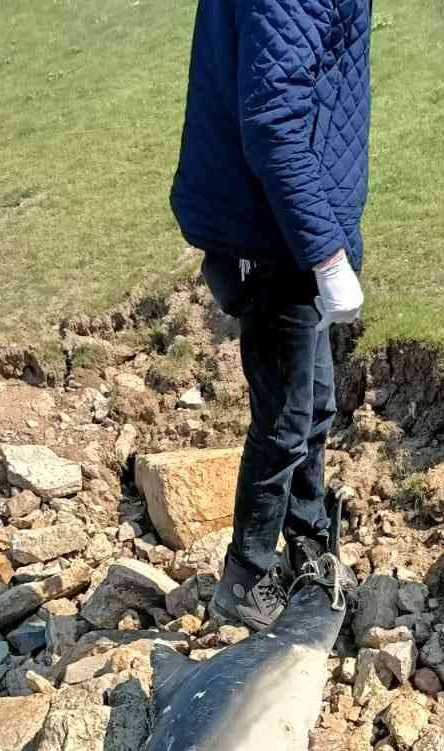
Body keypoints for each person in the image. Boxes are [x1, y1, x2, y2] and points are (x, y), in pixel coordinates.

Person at [170, 0, 372, 630]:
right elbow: (274, 121)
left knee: (313, 404)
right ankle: (247, 577)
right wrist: (326, 254)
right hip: (274, 231)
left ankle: (310, 545)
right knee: (285, 417)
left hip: (285, 222)